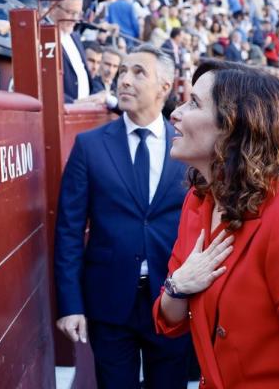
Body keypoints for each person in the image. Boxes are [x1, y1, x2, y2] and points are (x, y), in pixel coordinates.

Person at [153, 60, 279, 389]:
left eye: (194, 103)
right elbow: (168, 319)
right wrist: (179, 284)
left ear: (235, 126)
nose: (175, 112)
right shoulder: (199, 202)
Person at [55, 45, 191, 389]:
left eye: (138, 72)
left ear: (165, 86)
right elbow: (69, 230)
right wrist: (70, 304)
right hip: (109, 300)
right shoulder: (90, 145)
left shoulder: (190, 145)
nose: (125, 80)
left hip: (173, 299)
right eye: (123, 72)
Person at [48, 0, 103, 104]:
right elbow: (42, 85)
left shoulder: (75, 36)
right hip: (63, 111)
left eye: (78, 13)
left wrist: (100, 93)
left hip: (83, 111)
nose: (75, 19)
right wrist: (73, 103)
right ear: (53, 7)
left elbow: (85, 74)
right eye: (70, 12)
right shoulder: (41, 36)